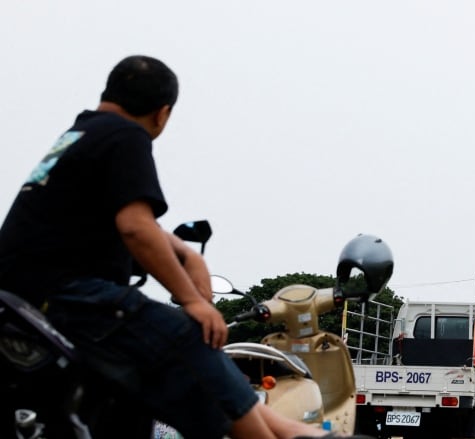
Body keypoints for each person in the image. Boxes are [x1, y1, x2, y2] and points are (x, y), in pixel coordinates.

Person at [0, 55, 365, 439]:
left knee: (153, 374)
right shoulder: (125, 135)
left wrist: (185, 253)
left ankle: (285, 428)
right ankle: (277, 434)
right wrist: (190, 300)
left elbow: (136, 221)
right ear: (162, 113)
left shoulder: (81, 135)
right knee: (191, 336)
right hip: (66, 295)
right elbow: (136, 228)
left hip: (26, 296)